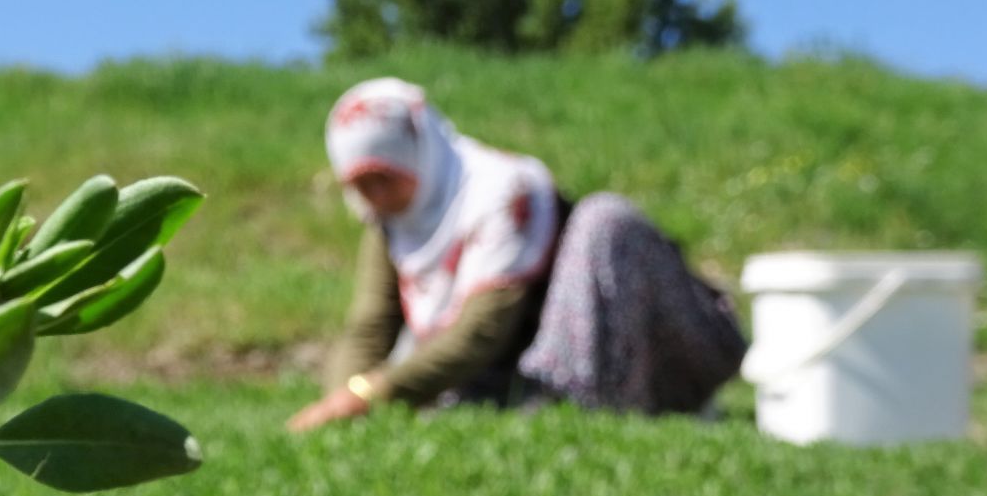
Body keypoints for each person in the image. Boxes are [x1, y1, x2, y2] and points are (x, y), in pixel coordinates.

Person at [287, 78, 747, 432]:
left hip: (663, 351)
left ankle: (612, 413)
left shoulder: (501, 192)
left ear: (418, 154)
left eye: (385, 178)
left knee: (607, 221)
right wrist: (341, 400)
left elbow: (484, 328)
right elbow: (371, 324)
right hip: (506, 375)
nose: (376, 196)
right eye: (361, 184)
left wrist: (374, 391)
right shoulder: (391, 221)